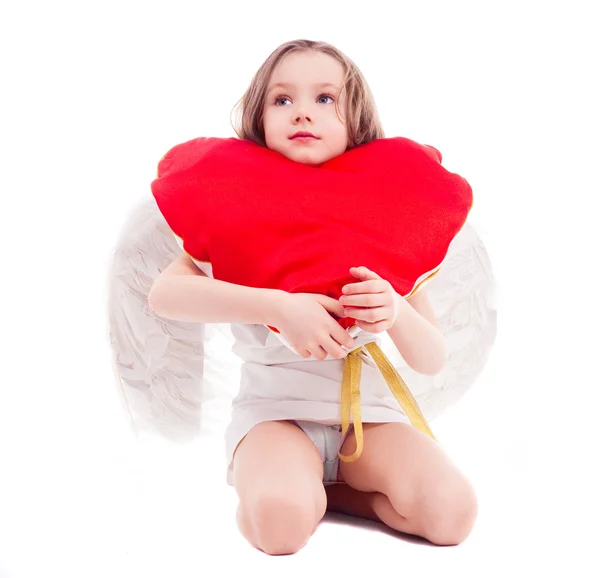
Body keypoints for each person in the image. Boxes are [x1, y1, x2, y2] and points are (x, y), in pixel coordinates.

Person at [147, 39, 479, 555]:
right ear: (259, 117)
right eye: (282, 100)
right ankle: (291, 494)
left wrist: (393, 308)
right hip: (275, 417)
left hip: (370, 423)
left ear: (358, 119)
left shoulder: (393, 216)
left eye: (325, 98)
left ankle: (343, 498)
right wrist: (277, 306)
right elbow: (166, 295)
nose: (302, 111)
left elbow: (431, 359)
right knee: (280, 527)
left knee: (453, 514)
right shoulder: (230, 205)